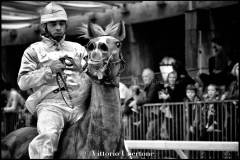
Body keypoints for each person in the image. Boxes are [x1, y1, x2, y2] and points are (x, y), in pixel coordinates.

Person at [17, 2, 90, 159]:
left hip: (79, 106)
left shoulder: (79, 48)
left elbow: (97, 75)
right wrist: (48, 70)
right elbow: (22, 82)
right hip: (51, 106)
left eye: (61, 23)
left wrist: (83, 68)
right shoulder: (33, 50)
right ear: (44, 27)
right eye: (53, 24)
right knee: (48, 136)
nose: (58, 27)